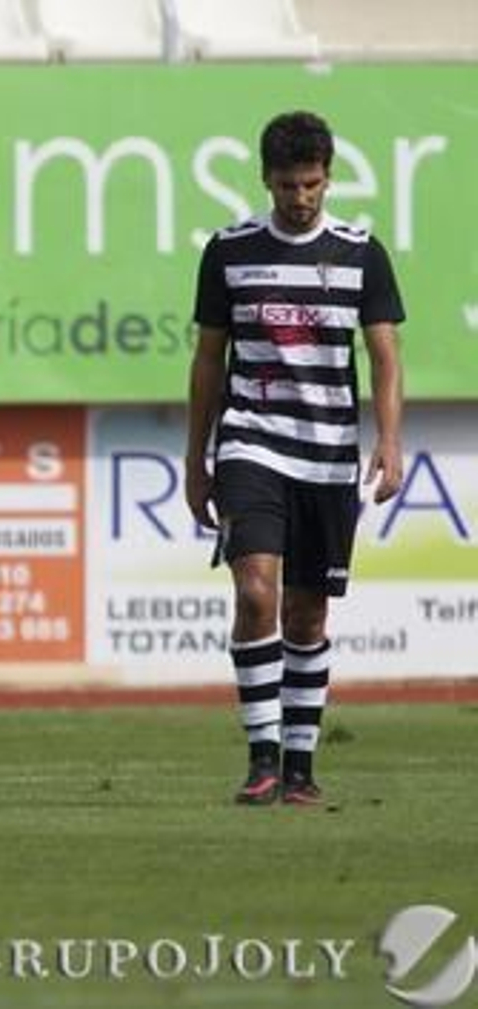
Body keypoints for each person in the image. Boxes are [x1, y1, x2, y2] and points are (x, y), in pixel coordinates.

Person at [185, 110, 405, 807]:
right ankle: (261, 759)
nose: (300, 197)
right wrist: (198, 458)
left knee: (307, 617)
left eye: (310, 184)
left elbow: (384, 357)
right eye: (286, 185)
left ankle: (302, 766)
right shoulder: (229, 251)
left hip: (328, 457)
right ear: (265, 180)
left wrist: (390, 440)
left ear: (328, 177)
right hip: (252, 441)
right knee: (255, 594)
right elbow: (208, 359)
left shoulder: (360, 253)